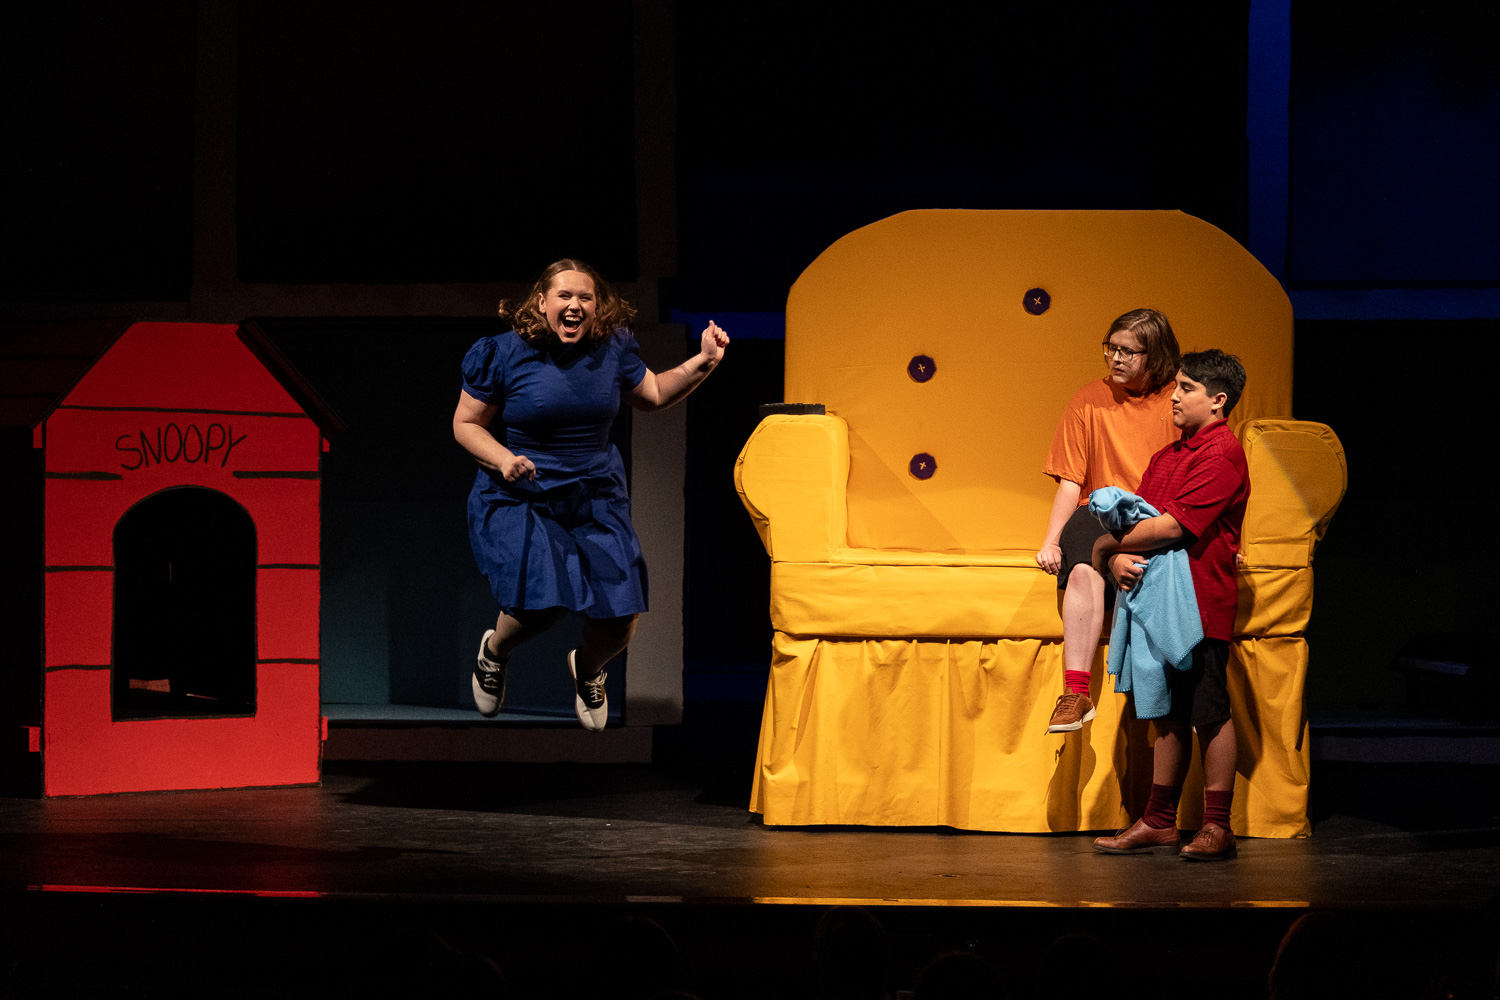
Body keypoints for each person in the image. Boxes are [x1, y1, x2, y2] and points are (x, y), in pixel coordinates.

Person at [452, 259, 728, 731]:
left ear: (597, 306)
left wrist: (703, 361)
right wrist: (503, 459)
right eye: (564, 295)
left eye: (586, 297)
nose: (575, 305)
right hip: (525, 492)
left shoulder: (612, 347)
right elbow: (466, 424)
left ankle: (588, 668)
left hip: (594, 492)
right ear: (541, 302)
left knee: (621, 613)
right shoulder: (503, 353)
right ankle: (494, 652)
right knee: (543, 603)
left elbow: (654, 393)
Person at [1090, 349, 1250, 861]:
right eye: (1176, 386)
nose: (1174, 397)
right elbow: (1136, 522)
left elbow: (1175, 526)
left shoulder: (1221, 454)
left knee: (1209, 711)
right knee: (1167, 713)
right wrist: (1118, 558)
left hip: (1199, 602)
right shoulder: (1167, 457)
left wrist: (1106, 548)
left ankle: (1217, 825)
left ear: (1218, 400)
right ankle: (1159, 822)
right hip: (1155, 599)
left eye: (1186, 388)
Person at [1037, 309, 1181, 733]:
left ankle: (1173, 701)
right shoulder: (1088, 399)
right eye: (1111, 348)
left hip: (1155, 513)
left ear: (1155, 355)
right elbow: (1071, 481)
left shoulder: (1177, 399)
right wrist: (1051, 541)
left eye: (1127, 352)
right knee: (1082, 567)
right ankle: (1075, 693)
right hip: (1100, 511)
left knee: (1157, 569)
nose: (1115, 358)